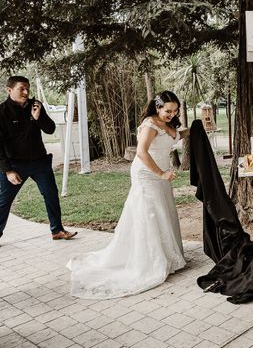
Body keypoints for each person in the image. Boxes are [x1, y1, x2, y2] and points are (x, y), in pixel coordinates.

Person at [67, 91, 187, 298]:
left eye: (175, 111)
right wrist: (161, 173)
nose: (172, 114)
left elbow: (177, 135)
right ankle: (149, 260)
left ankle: (168, 255)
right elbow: (141, 152)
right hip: (147, 174)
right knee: (150, 213)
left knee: (163, 211)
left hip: (162, 175)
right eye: (168, 110)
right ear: (157, 108)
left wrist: (195, 130)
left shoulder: (168, 125)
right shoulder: (149, 125)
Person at [0, 76, 77, 242]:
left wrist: (38, 117)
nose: (26, 92)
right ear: (9, 90)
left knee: (51, 195)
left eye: (28, 88)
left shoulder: (36, 106)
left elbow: (50, 129)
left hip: (40, 162)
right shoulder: (2, 112)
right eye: (22, 88)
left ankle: (57, 230)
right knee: (4, 201)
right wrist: (8, 171)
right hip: (15, 165)